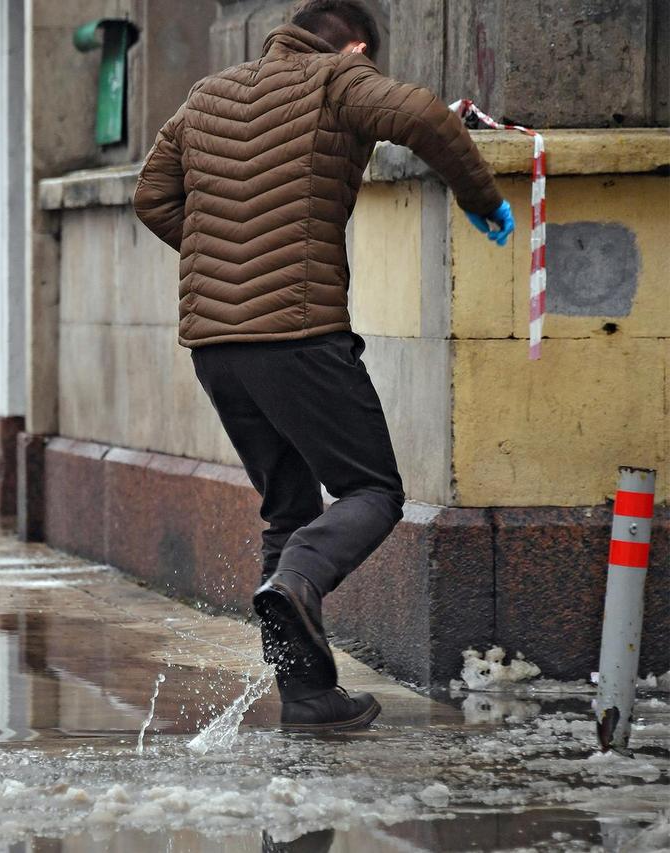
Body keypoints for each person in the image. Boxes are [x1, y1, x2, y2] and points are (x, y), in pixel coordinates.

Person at [133, 0, 513, 732]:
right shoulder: (338, 80)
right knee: (370, 488)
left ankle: (307, 695)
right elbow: (427, 116)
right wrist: (479, 195)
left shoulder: (207, 95)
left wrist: (226, 265)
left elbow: (152, 195)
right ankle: (301, 579)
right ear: (357, 47)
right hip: (297, 334)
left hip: (217, 348)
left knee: (287, 506)